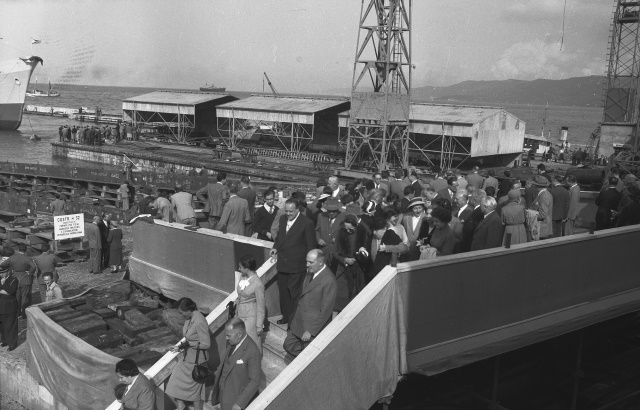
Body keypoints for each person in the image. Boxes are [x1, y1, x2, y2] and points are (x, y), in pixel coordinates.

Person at [270, 198, 317, 325]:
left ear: (297, 210)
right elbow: (280, 236)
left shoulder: (307, 223)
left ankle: (293, 321)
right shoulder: (282, 219)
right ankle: (286, 316)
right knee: (283, 292)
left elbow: (311, 245)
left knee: (295, 294)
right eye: (286, 211)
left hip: (297, 265)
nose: (288, 214)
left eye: (291, 211)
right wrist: (275, 247)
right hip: (283, 263)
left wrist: (310, 264)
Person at [283, 249, 337, 357]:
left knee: (308, 357)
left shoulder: (329, 280)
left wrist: (311, 331)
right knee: (288, 345)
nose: (307, 265)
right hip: (299, 323)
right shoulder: (310, 273)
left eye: (311, 262)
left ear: (321, 262)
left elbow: (326, 310)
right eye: (307, 261)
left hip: (311, 327)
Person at [166, 298, 211, 410]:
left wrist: (190, 344)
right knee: (174, 383)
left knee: (195, 391)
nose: (181, 315)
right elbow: (190, 338)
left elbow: (206, 344)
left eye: (182, 312)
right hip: (187, 358)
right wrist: (179, 347)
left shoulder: (200, 321)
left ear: (189, 310)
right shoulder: (190, 319)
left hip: (196, 361)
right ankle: (181, 405)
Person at [213, 318, 261, 410]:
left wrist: (240, 403)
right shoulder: (231, 342)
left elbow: (255, 381)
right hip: (224, 395)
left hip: (236, 399)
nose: (226, 338)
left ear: (239, 334)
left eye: (228, 335)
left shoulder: (252, 350)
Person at [332, 214, 367, 311]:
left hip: (357, 271)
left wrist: (361, 254)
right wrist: (344, 260)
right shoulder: (340, 233)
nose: (347, 231)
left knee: (355, 296)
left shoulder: (362, 234)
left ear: (356, 226)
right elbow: (334, 252)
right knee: (339, 297)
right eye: (346, 228)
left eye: (350, 229)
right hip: (343, 270)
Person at [235, 255, 265, 353]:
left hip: (251, 317)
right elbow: (240, 295)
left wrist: (259, 325)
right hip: (240, 315)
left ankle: (256, 360)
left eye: (240, 267)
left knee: (252, 342)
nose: (239, 269)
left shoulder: (258, 284)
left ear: (247, 268)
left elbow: (261, 305)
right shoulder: (242, 277)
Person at [0, 243, 36, 318]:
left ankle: (18, 312)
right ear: (26, 250)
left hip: (16, 278)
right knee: (25, 297)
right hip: (25, 278)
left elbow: (2, 265)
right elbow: (33, 267)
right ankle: (24, 314)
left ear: (18, 249)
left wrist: (11, 268)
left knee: (17, 297)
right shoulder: (27, 258)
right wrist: (30, 272)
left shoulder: (12, 258)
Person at [315, 197, 344, 265]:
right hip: (323, 250)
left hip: (336, 252)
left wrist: (338, 239)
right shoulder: (321, 216)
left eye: (333, 211)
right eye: (329, 211)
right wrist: (319, 239)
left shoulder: (343, 217)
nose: (331, 213)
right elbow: (317, 230)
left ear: (337, 209)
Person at [0, 266, 19, 351]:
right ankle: (5, 341)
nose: (2, 274)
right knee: (2, 326)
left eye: (3, 272)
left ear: (8, 272)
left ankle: (12, 344)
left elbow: (12, 292)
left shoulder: (14, 280)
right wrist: (5, 291)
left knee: (11, 326)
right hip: (1, 306)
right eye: (0, 273)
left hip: (10, 307)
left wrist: (4, 284)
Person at [529, 175, 554, 240]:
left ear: (536, 185)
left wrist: (529, 214)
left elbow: (542, 215)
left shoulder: (544, 196)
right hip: (540, 228)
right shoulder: (542, 194)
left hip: (541, 229)